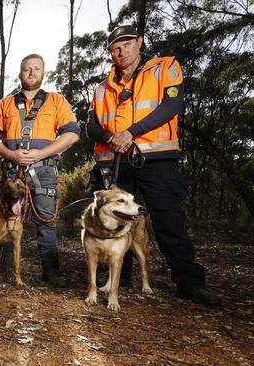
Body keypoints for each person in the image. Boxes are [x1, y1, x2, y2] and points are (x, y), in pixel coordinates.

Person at [86, 25, 220, 305]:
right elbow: (91, 126)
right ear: (110, 52)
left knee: (168, 219)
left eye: (126, 44)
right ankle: (118, 277)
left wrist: (131, 133)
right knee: (115, 220)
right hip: (116, 160)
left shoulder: (165, 67)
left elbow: (170, 106)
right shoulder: (101, 88)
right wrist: (113, 137)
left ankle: (189, 281)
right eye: (114, 48)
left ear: (139, 42)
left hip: (156, 158)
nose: (121, 51)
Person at [0, 54, 80, 287]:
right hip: (11, 172)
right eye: (27, 69)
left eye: (36, 68)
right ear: (20, 74)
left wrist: (41, 153)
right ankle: (1, 271)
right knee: (3, 222)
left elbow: (72, 134)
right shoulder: (5, 104)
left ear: (43, 73)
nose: (31, 72)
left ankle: (51, 272)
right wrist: (11, 155)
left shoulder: (57, 101)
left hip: (43, 170)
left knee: (46, 222)